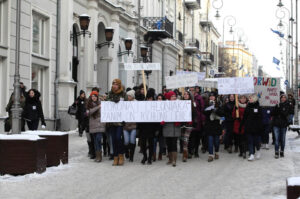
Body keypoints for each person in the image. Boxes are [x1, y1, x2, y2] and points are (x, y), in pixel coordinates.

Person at [107, 79, 127, 166]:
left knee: (118, 138)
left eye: (116, 84)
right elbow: (107, 104)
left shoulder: (123, 94)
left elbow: (126, 106)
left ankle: (121, 155)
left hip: (119, 121)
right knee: (113, 139)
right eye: (113, 84)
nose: (114, 86)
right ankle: (115, 157)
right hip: (112, 121)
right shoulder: (110, 94)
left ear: (119, 85)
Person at [240, 94, 263, 161]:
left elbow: (260, 118)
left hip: (256, 128)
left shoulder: (258, 107)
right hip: (249, 127)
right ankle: (251, 154)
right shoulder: (248, 107)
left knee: (256, 141)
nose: (249, 99)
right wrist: (241, 125)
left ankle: (258, 151)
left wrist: (260, 127)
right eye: (249, 98)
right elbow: (244, 117)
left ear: (254, 99)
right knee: (250, 141)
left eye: (250, 98)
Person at [139, 89, 159, 165]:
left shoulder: (155, 105)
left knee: (151, 144)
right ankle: (145, 156)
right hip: (143, 127)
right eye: (148, 98)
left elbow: (157, 117)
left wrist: (157, 128)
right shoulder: (143, 104)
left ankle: (150, 158)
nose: (150, 100)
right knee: (143, 144)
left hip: (152, 128)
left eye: (151, 98)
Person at [162, 91, 181, 167]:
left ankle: (174, 160)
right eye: (172, 96)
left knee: (174, 143)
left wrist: (179, 120)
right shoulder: (165, 105)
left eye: (175, 96)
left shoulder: (179, 104)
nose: (174, 97)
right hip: (167, 126)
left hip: (175, 127)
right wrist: (162, 120)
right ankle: (170, 159)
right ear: (169, 98)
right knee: (168, 144)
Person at [203, 93, 223, 162]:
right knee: (210, 141)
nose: (211, 97)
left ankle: (216, 152)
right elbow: (204, 112)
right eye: (210, 96)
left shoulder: (219, 104)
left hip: (217, 125)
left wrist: (216, 109)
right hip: (209, 125)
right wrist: (210, 108)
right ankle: (210, 155)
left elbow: (222, 113)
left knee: (217, 142)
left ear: (215, 97)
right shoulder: (206, 104)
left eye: (213, 96)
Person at [87, 91, 106, 162]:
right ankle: (97, 155)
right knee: (95, 141)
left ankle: (99, 156)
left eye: (95, 96)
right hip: (93, 125)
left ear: (97, 97)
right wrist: (98, 107)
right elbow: (89, 112)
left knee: (98, 140)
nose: (93, 98)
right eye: (92, 96)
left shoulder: (101, 103)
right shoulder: (89, 104)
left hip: (100, 125)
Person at [271, 94, 290, 159]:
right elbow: (273, 113)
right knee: (276, 139)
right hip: (276, 124)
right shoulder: (277, 104)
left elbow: (285, 114)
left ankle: (282, 151)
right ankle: (276, 152)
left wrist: (280, 108)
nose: (283, 98)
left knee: (282, 139)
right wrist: (276, 108)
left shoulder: (287, 105)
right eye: (282, 97)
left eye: (284, 97)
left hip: (283, 125)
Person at [123, 90, 137, 162]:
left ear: (132, 96)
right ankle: (126, 152)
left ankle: (131, 156)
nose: (128, 97)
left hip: (133, 125)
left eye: (130, 96)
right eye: (128, 96)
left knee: (132, 141)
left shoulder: (136, 103)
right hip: (125, 126)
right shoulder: (125, 104)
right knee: (126, 141)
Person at [181, 91, 194, 162]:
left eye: (187, 94)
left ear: (189, 95)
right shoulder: (180, 103)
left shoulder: (192, 103)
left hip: (189, 125)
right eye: (184, 94)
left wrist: (193, 121)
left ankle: (184, 155)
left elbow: (195, 114)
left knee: (186, 140)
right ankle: (186, 152)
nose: (185, 95)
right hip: (182, 124)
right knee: (183, 140)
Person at [153, 93, 166, 161]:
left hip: (162, 128)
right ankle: (154, 154)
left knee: (161, 143)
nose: (159, 100)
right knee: (154, 141)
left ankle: (160, 154)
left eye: (161, 99)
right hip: (155, 127)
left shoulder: (165, 107)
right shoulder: (154, 107)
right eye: (158, 99)